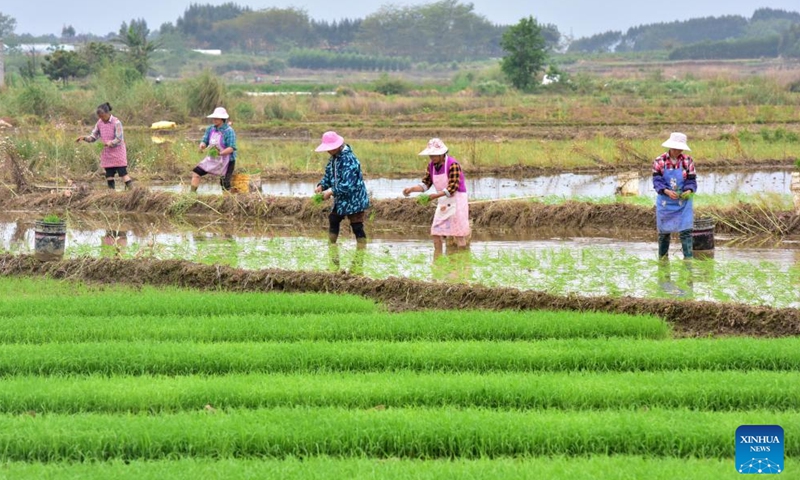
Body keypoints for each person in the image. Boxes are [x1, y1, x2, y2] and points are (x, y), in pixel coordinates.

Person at [402, 138, 471, 256]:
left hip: (457, 200)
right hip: (443, 201)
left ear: (442, 153)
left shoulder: (453, 165)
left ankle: (463, 260)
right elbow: (426, 184)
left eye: (434, 155)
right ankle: (437, 260)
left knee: (458, 233)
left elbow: (452, 188)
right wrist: (412, 189)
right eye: (430, 155)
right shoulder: (431, 166)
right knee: (436, 231)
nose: (432, 158)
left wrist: (433, 196)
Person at [313, 131, 370, 246]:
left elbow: (348, 184)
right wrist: (322, 186)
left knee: (356, 226)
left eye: (331, 148)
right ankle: (331, 245)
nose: (328, 151)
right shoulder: (334, 159)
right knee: (333, 219)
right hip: (341, 199)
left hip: (355, 199)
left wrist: (330, 192)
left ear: (338, 146)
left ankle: (362, 247)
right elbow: (329, 176)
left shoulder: (349, 159)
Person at [653, 132, 697, 260]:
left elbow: (691, 180)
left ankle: (688, 260)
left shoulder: (688, 161)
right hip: (665, 202)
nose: (678, 150)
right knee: (664, 233)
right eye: (676, 147)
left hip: (683, 203)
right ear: (671, 147)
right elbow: (657, 181)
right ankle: (663, 259)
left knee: (686, 232)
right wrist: (666, 191)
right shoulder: (659, 161)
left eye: (681, 148)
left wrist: (689, 190)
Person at [75, 102, 133, 190]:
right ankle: (111, 193)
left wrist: (110, 143)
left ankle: (132, 191)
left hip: (118, 152)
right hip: (107, 153)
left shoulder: (116, 122)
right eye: (100, 117)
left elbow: (119, 139)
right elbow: (93, 137)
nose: (102, 118)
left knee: (122, 173)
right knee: (109, 174)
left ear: (107, 113)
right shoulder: (99, 123)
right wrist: (84, 138)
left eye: (103, 116)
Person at [192, 107, 236, 193]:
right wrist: (202, 146)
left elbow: (231, 148)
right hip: (212, 158)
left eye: (217, 118)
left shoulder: (229, 131)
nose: (214, 120)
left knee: (225, 184)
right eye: (214, 118)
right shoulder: (210, 129)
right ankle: (192, 195)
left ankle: (229, 201)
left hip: (227, 161)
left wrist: (220, 153)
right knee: (196, 172)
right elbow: (205, 140)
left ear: (222, 119)